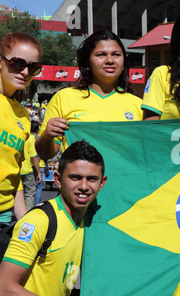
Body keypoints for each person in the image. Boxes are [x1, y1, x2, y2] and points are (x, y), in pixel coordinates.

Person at [0, 140, 107, 296]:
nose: (84, 186)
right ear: (58, 179)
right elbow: (4, 288)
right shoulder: (38, 221)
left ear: (102, 183)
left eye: (91, 179)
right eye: (75, 177)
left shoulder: (90, 221)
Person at [36, 30, 143, 160]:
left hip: (125, 179)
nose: (110, 60)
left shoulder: (139, 105)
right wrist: (47, 136)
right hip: (81, 180)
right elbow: (45, 154)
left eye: (116, 54)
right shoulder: (63, 97)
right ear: (87, 63)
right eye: (101, 55)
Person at [0, 32, 42, 224]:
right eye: (18, 63)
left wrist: (24, 220)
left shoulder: (23, 116)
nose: (25, 72)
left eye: (33, 67)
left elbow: (14, 174)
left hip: (5, 215)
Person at [20, 121, 41, 211]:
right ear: (36, 130)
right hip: (28, 170)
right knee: (29, 194)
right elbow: (34, 157)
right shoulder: (32, 139)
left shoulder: (23, 136)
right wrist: (39, 172)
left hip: (18, 169)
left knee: (18, 193)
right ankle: (27, 215)